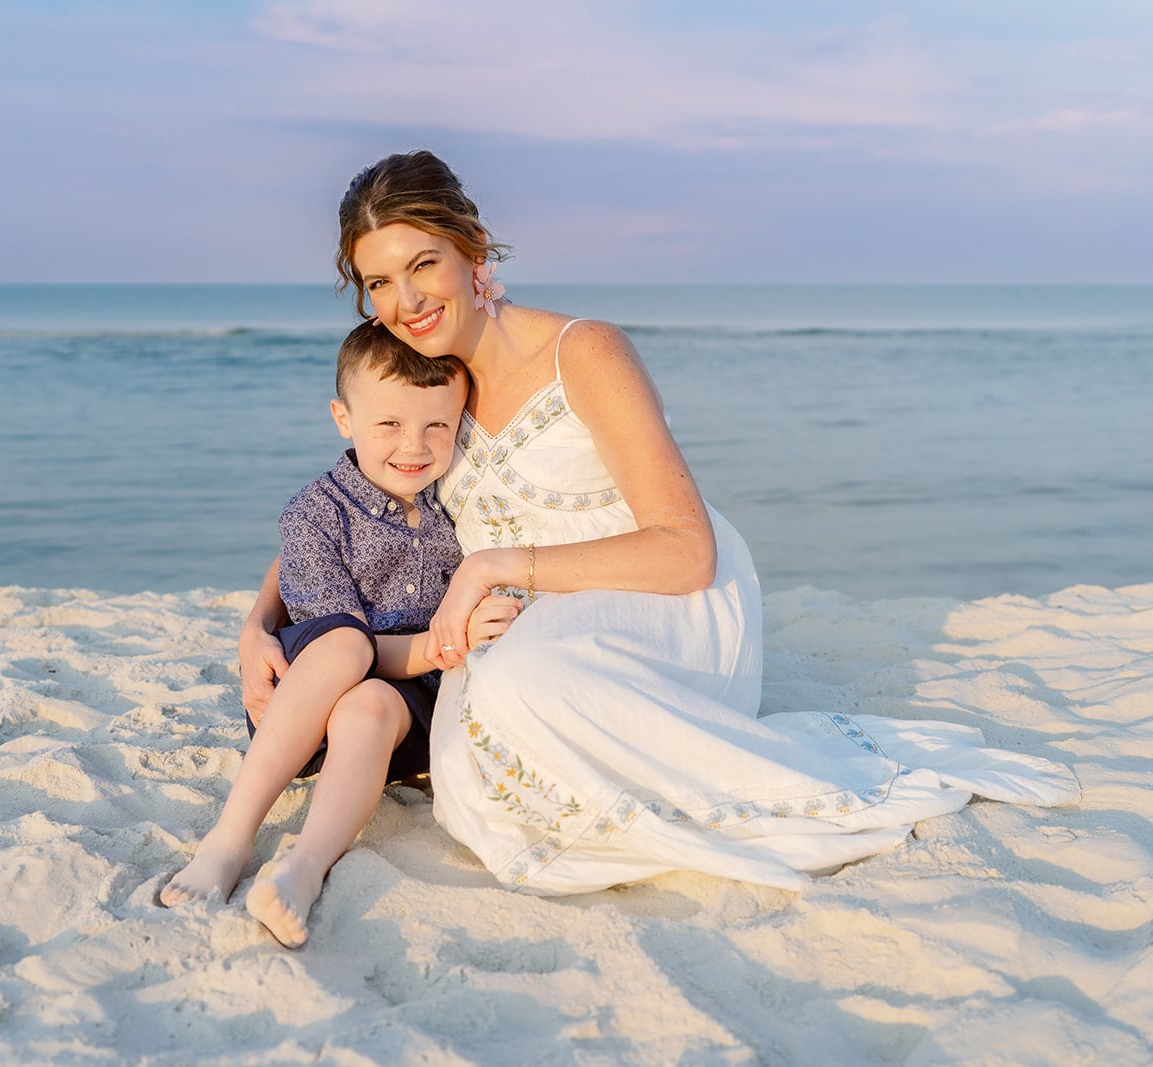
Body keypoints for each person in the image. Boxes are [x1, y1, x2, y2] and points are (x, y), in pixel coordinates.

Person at [236, 150, 1080, 901]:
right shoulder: (425, 388)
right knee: (472, 744)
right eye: (379, 282)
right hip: (534, 619)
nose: (406, 301)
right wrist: (258, 625)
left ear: (475, 251)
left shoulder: (584, 353)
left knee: (522, 682)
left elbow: (687, 550)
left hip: (667, 599)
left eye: (424, 264)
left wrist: (491, 565)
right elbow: (344, 509)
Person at [161, 320, 519, 945]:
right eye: (390, 424)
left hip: (401, 720)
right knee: (349, 647)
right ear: (343, 418)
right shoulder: (315, 513)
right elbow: (341, 642)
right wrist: (446, 639)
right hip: (304, 702)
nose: (415, 445)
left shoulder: (458, 503)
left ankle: (303, 868)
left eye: (438, 425)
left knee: (372, 702)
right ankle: (229, 838)